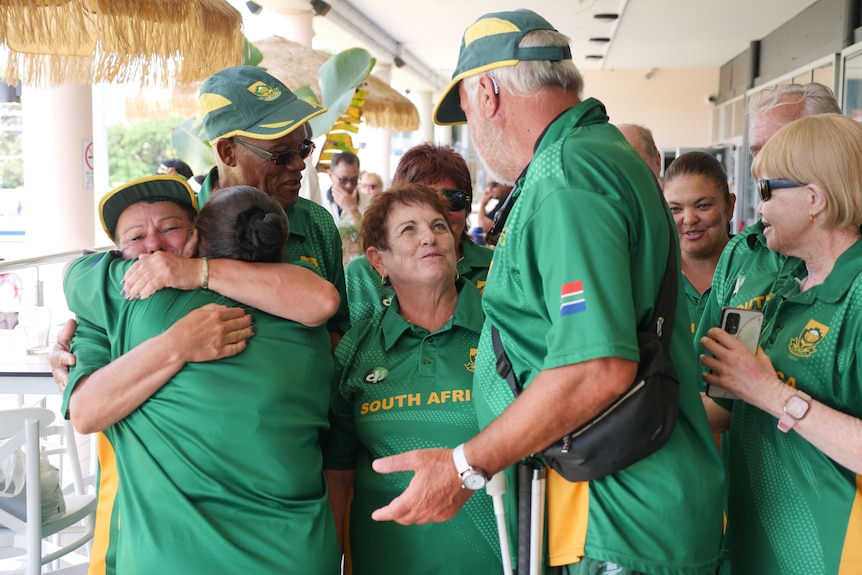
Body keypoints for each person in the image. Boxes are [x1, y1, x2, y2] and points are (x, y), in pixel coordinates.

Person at [369, 10, 725, 575]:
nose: (474, 132)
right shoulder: (595, 155)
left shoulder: (567, 173)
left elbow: (597, 365)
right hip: (620, 513)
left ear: (486, 92)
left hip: (614, 520)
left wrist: (465, 466)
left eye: (464, 109)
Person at [53, 175, 339, 575]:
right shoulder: (119, 302)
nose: (153, 246)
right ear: (117, 254)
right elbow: (85, 410)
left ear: (198, 235)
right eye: (135, 237)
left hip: (174, 556)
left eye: (169, 229)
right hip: (293, 548)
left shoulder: (128, 302)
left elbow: (73, 272)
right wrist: (177, 344)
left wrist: (193, 276)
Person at [700, 113, 862, 574]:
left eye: (768, 191)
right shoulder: (787, 285)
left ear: (814, 199)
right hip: (755, 549)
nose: (758, 208)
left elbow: (764, 394)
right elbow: (731, 406)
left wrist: (772, 394)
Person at [324, 184, 501, 575]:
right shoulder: (358, 347)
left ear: (456, 244)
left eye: (439, 226)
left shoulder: (502, 332)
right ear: (378, 261)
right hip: (384, 561)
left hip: (496, 561)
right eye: (408, 230)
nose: (428, 237)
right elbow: (338, 476)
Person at [196, 65, 350, 337]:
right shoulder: (179, 227)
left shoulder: (317, 223)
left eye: (304, 148)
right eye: (280, 154)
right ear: (228, 152)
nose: (299, 164)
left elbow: (340, 331)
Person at [344, 143, 493, 325]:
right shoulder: (360, 275)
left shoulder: (497, 267)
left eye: (453, 199)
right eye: (423, 201)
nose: (441, 212)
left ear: (467, 205)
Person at [663, 151, 735, 333]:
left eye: (703, 206)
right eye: (675, 209)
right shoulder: (653, 277)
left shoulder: (758, 273)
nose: (689, 219)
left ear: (730, 206)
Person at [325, 152, 363, 225]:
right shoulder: (318, 200)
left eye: (354, 180)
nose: (349, 185)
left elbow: (369, 236)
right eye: (343, 180)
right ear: (330, 175)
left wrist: (353, 211)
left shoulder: (370, 204)